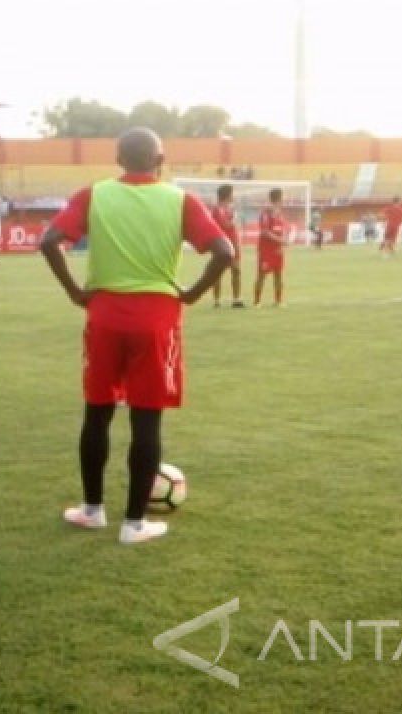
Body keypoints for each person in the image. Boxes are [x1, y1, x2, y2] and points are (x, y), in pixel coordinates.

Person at [38, 128, 233, 545]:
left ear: (118, 159)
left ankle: (91, 510)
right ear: (160, 161)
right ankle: (133, 524)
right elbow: (225, 252)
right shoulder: (181, 201)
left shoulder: (94, 194)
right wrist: (191, 294)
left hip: (104, 315)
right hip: (157, 320)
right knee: (147, 419)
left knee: (97, 412)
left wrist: (75, 291)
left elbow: (50, 241)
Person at [211, 184, 245, 307]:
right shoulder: (217, 209)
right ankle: (217, 300)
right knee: (218, 272)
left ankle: (236, 299)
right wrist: (235, 219)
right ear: (227, 195)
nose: (233, 196)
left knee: (236, 270)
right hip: (222, 244)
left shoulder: (230, 209)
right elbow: (226, 225)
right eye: (232, 193)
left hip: (233, 242)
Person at [254, 187, 288, 307]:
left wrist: (283, 241)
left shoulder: (280, 214)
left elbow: (282, 229)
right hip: (266, 250)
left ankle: (278, 301)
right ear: (278, 199)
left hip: (277, 250)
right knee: (262, 275)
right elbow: (264, 232)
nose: (284, 200)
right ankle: (257, 302)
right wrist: (280, 240)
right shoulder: (266, 214)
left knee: (278, 275)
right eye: (282, 198)